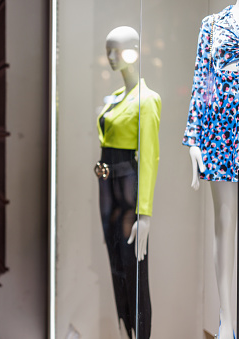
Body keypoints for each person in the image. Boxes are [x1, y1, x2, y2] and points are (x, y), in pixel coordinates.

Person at [96, 26, 161, 339]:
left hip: (126, 189)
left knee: (134, 267)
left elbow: (149, 157)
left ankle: (141, 333)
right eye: (108, 50)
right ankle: (125, 330)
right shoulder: (117, 98)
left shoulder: (147, 100)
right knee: (115, 263)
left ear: (134, 50)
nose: (111, 58)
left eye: (117, 50)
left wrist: (144, 213)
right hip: (107, 188)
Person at [183, 4, 239, 339]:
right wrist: (194, 139)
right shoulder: (213, 24)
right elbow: (202, 81)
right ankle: (227, 319)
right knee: (224, 224)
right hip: (221, 130)